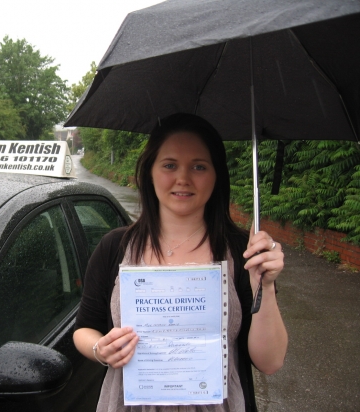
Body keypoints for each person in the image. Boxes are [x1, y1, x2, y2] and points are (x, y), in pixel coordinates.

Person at [73, 113, 287, 412]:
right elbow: (84, 328)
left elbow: (270, 361)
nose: (183, 178)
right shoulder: (115, 247)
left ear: (216, 175)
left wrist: (264, 283)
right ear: (150, 172)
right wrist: (100, 349)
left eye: (199, 166)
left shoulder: (243, 251)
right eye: (169, 165)